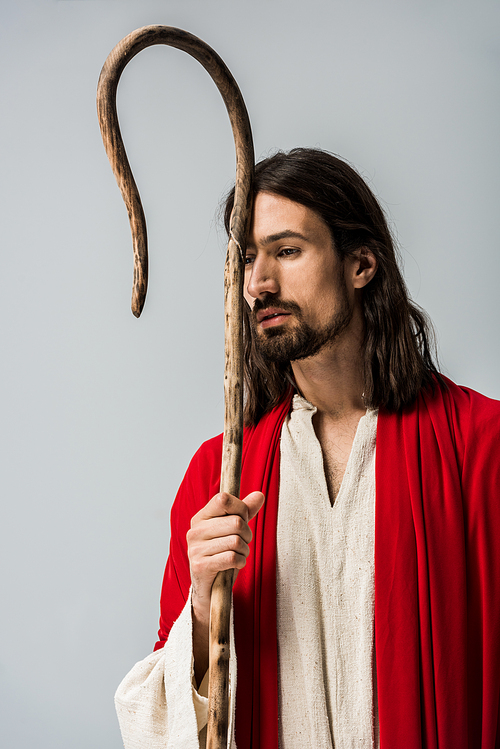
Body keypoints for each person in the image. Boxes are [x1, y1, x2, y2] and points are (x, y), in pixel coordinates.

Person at [115, 149, 500, 749]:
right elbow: (164, 720)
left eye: (286, 251)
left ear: (361, 265)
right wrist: (198, 606)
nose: (257, 284)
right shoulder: (219, 475)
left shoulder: (482, 446)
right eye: (247, 258)